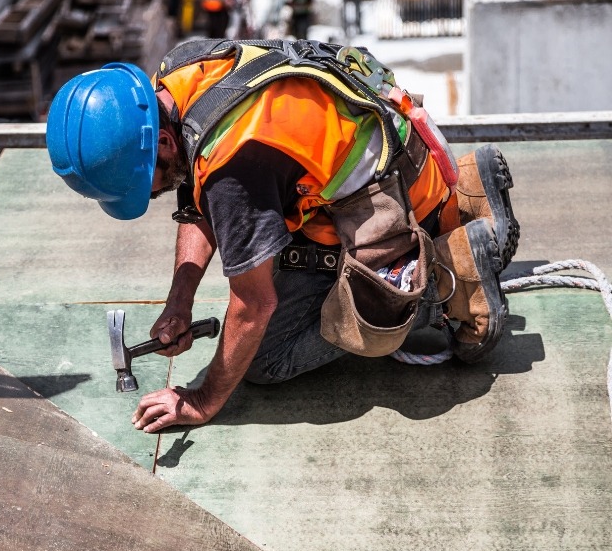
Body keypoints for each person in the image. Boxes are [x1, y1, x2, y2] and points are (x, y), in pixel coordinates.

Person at [45, 39, 519, 434]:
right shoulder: (181, 74)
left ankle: (447, 276)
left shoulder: (235, 167)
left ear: (164, 142)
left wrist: (203, 400)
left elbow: (254, 305)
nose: (147, 197)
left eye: (142, 184)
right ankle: (467, 192)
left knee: (266, 359)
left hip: (393, 206)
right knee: (263, 253)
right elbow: (196, 194)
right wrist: (179, 301)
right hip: (399, 158)